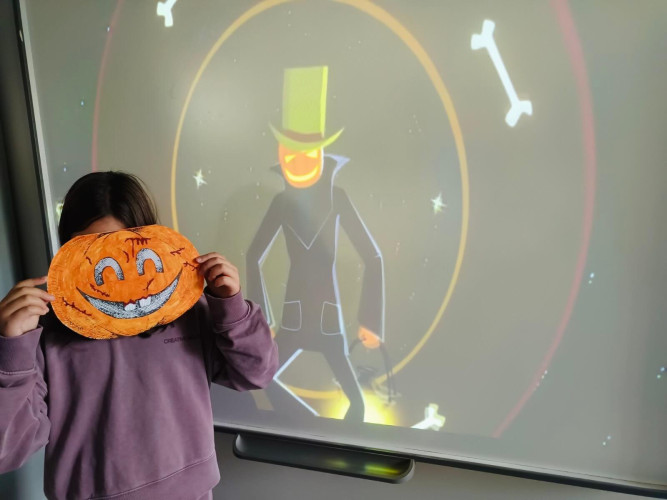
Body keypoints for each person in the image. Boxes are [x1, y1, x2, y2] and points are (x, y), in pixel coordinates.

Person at [0, 171, 279, 500]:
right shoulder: (44, 333)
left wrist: (230, 307)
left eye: (128, 250)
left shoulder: (186, 309)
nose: (116, 277)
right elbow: (7, 450)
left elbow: (257, 372)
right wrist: (12, 352)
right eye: (95, 257)